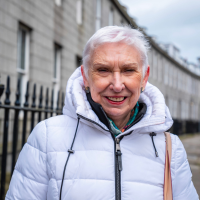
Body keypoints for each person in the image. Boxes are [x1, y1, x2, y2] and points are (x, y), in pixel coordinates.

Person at [6, 26, 199, 200]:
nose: (116, 85)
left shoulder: (169, 148)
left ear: (144, 78)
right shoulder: (47, 137)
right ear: (86, 77)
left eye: (128, 70)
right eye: (103, 70)